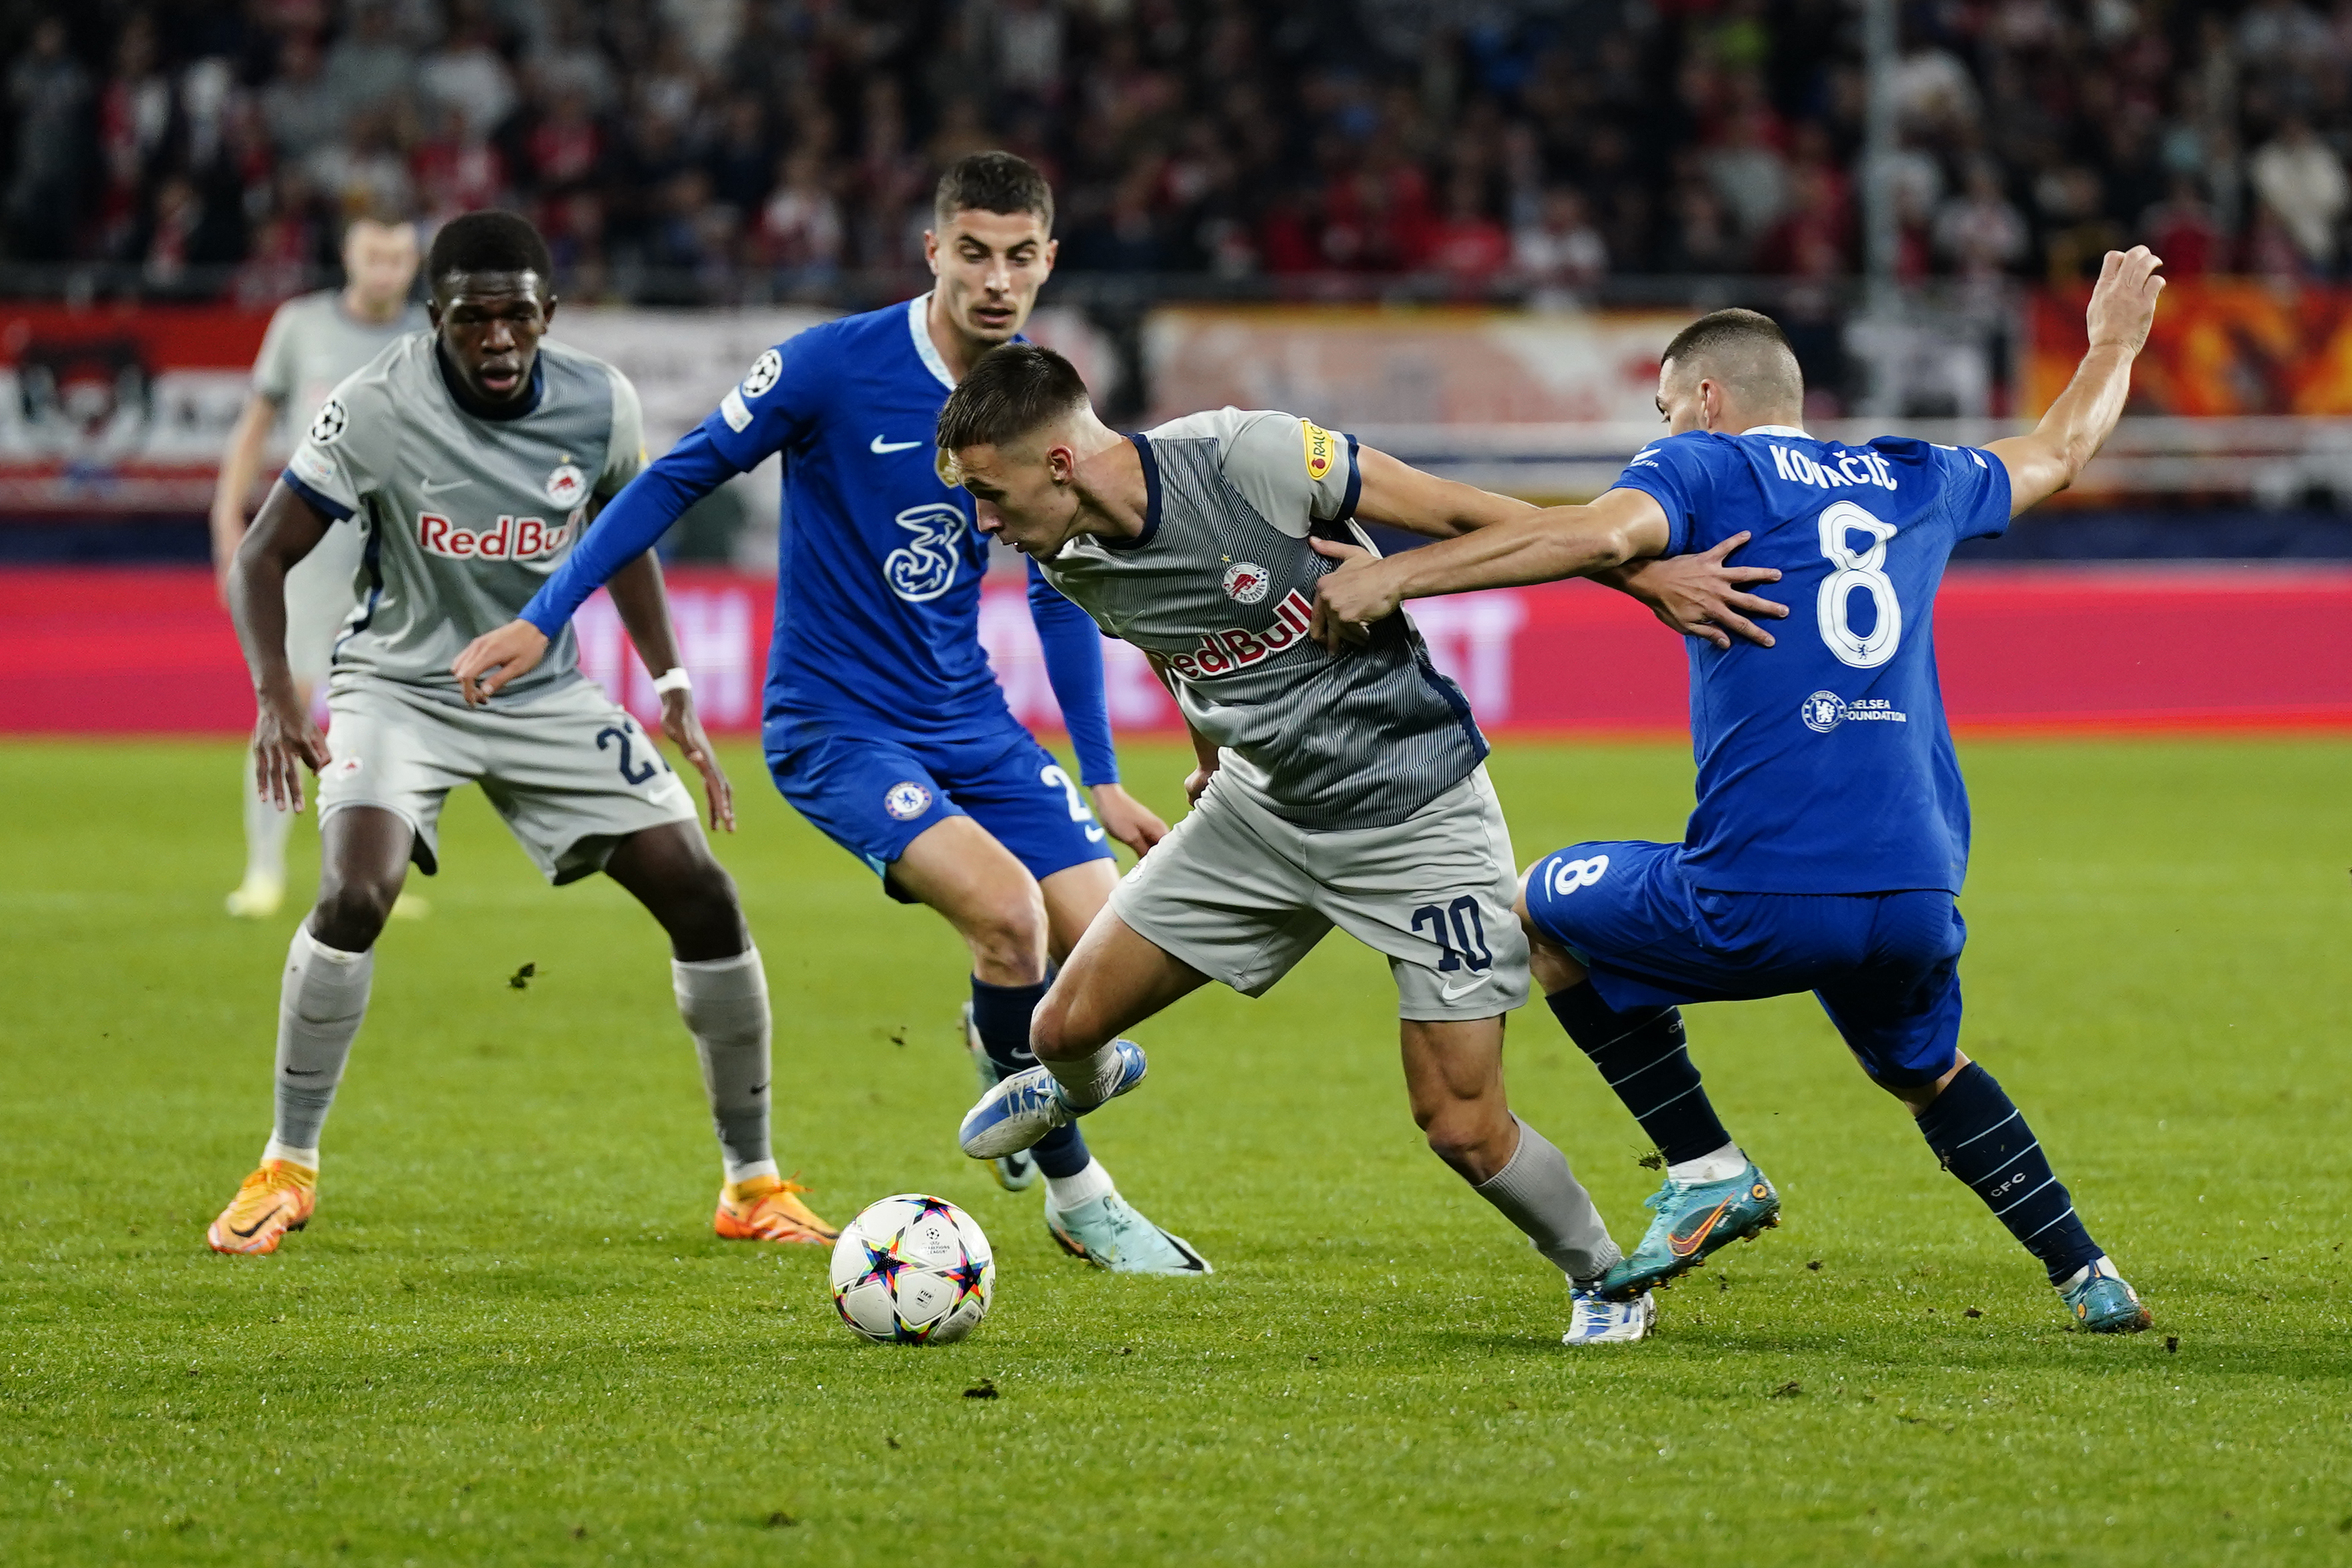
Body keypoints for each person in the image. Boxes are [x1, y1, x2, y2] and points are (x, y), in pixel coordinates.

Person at [1307, 248, 2169, 1335]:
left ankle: (1704, 1165)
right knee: (1925, 1070)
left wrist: (1393, 576)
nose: (1662, 430)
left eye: (1666, 409)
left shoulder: (1706, 469)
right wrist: (2112, 342)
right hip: (1914, 892)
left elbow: (1589, 532)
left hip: (1762, 896)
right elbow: (2061, 449)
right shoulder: (1914, 477)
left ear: (1706, 400)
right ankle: (2088, 1275)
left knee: (1536, 911)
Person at [934, 344, 1783, 1345]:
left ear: (1059, 464)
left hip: (1417, 818)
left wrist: (1647, 581)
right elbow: (1176, 645)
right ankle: (1089, 1083)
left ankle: (1606, 1279)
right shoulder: (1069, 556)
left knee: (1461, 1126)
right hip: (1258, 815)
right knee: (1059, 1031)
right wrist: (1210, 757)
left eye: (990, 494)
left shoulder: (1247, 457)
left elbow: (1463, 514)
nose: (984, 524)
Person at [449, 155, 1199, 1274]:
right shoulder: (830, 366)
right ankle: (1080, 1196)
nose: (996, 280)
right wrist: (542, 614)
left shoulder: (1041, 395)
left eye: (1019, 257)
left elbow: (1060, 585)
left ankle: (1001, 1046)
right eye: (974, 253)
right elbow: (676, 476)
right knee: (1010, 920)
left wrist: (1098, 774)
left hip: (972, 718)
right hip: (835, 724)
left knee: (1104, 955)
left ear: (1049, 260)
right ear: (933, 250)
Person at [207, 211, 836, 1257]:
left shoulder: (600, 401)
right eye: (472, 318)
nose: (496, 338)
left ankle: (753, 1185)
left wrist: (671, 680)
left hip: (545, 694)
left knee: (703, 894)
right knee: (356, 894)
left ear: (549, 313)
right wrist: (277, 695)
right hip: (399, 687)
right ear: (436, 318)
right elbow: (260, 556)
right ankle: (286, 1165)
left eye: (517, 316)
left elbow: (627, 537)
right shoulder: (374, 406)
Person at [212, 214, 428, 919]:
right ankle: (264, 869)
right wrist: (228, 519)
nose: (386, 268)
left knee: (392, 711)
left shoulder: (429, 336)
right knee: (287, 698)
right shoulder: (300, 325)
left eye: (398, 256)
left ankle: (381, 872)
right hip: (310, 549)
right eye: (374, 254)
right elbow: (253, 428)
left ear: (415, 261)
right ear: (348, 254)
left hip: (399, 554)